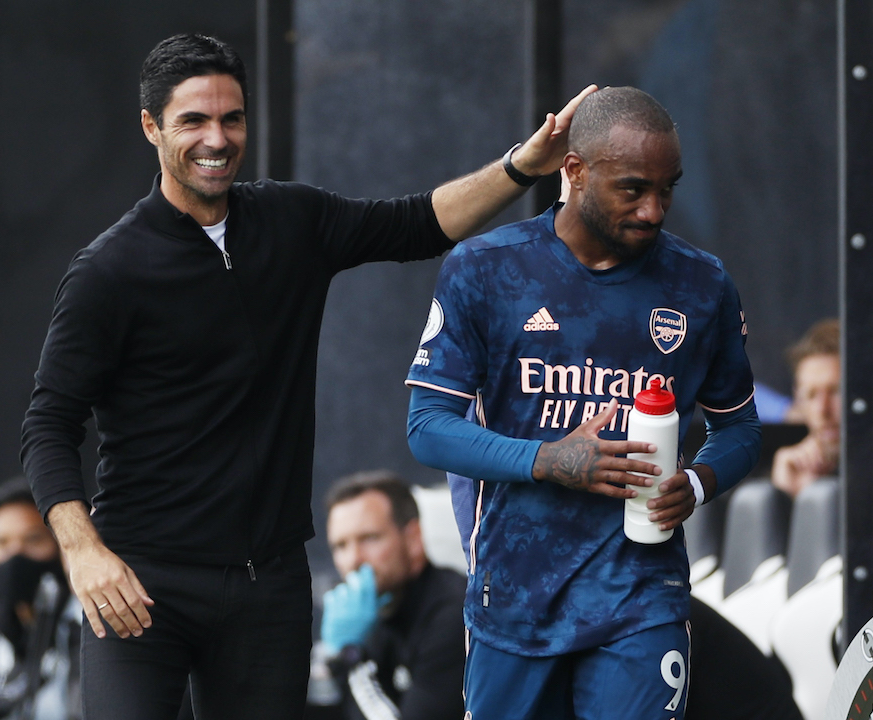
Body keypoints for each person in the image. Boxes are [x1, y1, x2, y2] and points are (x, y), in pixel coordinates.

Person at [20, 32, 596, 720]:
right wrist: (84, 554)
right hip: (146, 582)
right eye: (193, 121)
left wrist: (521, 166)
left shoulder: (291, 219)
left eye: (231, 118)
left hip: (269, 586)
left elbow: (418, 225)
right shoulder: (108, 271)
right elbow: (48, 425)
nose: (217, 138)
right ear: (151, 126)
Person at [405, 86, 761, 719]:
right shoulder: (486, 269)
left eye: (668, 189)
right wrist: (549, 460)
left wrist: (700, 483)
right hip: (512, 596)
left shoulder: (701, 283)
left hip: (641, 594)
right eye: (632, 189)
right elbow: (428, 428)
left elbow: (740, 427)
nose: (654, 210)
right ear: (573, 170)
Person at [317, 470, 465, 720]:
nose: (353, 560)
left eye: (369, 538)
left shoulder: (452, 614)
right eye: (341, 546)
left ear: (413, 538)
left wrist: (349, 660)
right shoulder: (373, 613)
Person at [0, 477, 81, 720]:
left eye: (33, 539)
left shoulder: (84, 623)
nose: (15, 555)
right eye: (2, 542)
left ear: (61, 547)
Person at [771, 318, 840, 497]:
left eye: (836, 392)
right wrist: (786, 494)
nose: (822, 410)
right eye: (811, 395)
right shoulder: (795, 467)